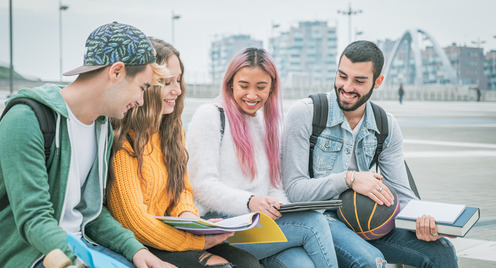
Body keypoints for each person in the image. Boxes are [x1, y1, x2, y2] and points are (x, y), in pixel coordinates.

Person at [0, 22, 175, 267]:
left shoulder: (101, 127)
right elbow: (34, 219)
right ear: (116, 72)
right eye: (141, 88)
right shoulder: (26, 119)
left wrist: (137, 251)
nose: (140, 101)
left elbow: (89, 215)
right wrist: (82, 260)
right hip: (34, 256)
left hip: (86, 249)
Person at [281, 40, 458, 267]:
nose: (346, 87)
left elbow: (404, 196)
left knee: (441, 252)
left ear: (378, 82)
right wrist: (349, 179)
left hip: (366, 219)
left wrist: (427, 222)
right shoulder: (306, 113)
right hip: (317, 217)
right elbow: (294, 190)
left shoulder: (386, 125)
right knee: (370, 262)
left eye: (359, 81)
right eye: (342, 76)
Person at [107, 38, 260, 268]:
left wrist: (191, 220)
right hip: (143, 241)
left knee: (248, 263)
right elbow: (134, 221)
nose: (177, 90)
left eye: (178, 80)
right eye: (168, 82)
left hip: (175, 232)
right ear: (147, 84)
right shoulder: (124, 139)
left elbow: (181, 189)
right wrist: (194, 241)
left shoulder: (171, 128)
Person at [186, 47, 338, 268]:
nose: (251, 95)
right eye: (244, 86)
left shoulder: (268, 124)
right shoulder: (209, 116)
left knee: (302, 264)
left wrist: (281, 208)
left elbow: (274, 186)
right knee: (314, 223)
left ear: (272, 88)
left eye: (260, 87)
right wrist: (250, 202)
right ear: (230, 84)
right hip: (222, 225)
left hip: (258, 224)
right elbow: (202, 185)